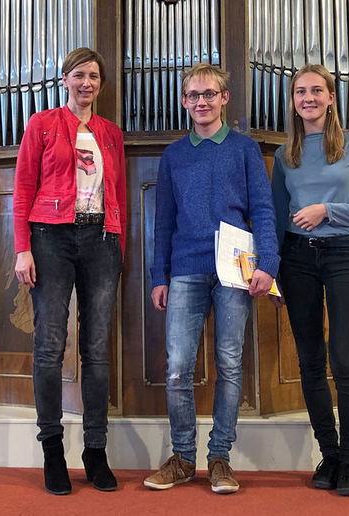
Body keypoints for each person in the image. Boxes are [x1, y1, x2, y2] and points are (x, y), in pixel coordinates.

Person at [143, 63, 279, 495]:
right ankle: (182, 457)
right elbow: (163, 221)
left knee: (230, 363)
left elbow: (262, 210)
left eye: (209, 94)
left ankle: (220, 456)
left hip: (236, 272)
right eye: (193, 95)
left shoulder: (244, 149)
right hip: (185, 268)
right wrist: (158, 274)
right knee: (179, 367)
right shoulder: (174, 155)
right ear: (184, 102)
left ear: (224, 99)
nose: (201, 102)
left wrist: (269, 263)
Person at [271, 64, 349, 496]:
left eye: (316, 90)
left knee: (344, 360)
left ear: (331, 97)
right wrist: (273, 275)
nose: (308, 98)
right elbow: (275, 219)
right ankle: (330, 453)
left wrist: (327, 211)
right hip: (297, 261)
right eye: (300, 91)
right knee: (309, 361)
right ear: (293, 101)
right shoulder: (287, 155)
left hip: (344, 254)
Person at [13, 47, 126, 495]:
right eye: (79, 75)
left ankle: (95, 452)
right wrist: (23, 249)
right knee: (50, 345)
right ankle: (52, 451)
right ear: (65, 79)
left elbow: (116, 193)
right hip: (50, 238)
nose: (87, 83)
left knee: (97, 348)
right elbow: (23, 189)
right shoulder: (41, 125)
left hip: (101, 240)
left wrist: (119, 245)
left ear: (101, 83)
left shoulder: (110, 133)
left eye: (94, 76)